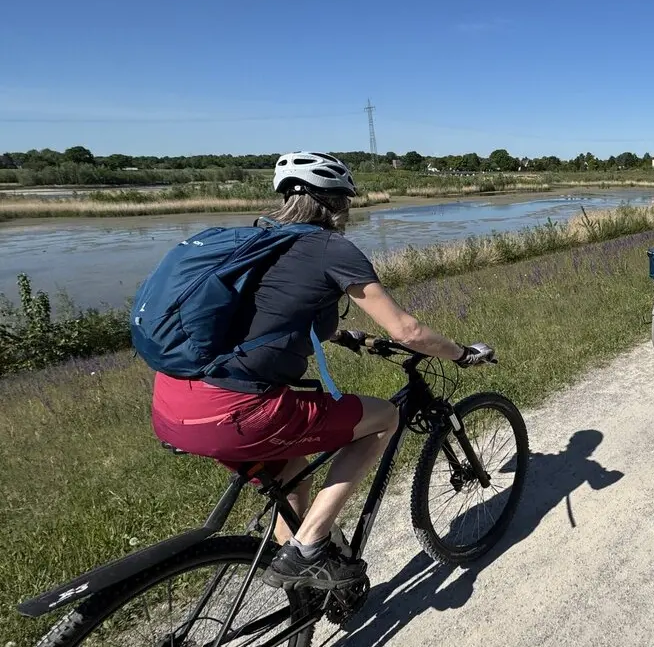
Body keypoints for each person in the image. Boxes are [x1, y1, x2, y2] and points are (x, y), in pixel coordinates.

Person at [150, 151, 495, 589]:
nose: (348, 213)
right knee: (385, 418)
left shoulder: (253, 241)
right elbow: (407, 329)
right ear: (334, 203)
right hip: (236, 411)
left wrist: (342, 335)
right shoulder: (330, 247)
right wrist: (462, 353)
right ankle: (308, 547)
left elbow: (264, 313)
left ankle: (307, 596)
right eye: (346, 203)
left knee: (292, 475)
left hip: (174, 406)